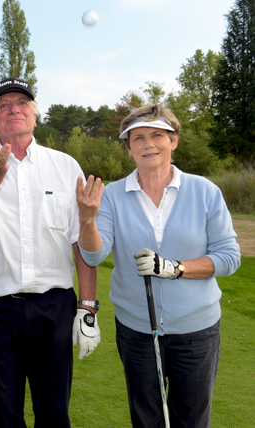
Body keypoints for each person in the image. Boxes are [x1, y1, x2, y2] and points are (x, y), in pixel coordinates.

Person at [76, 104, 241, 427]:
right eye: (137, 138)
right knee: (146, 420)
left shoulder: (204, 191)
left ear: (174, 141)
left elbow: (228, 257)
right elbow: (94, 255)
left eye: (156, 135)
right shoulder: (111, 196)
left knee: (191, 420)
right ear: (129, 148)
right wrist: (88, 220)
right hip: (137, 331)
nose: (148, 144)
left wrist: (173, 267)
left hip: (196, 331)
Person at [0, 78, 100, 428]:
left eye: (22, 103)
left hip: (54, 307)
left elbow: (79, 240)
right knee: (3, 415)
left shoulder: (65, 166)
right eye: (3, 105)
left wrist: (89, 307)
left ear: (35, 114)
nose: (13, 109)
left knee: (53, 413)